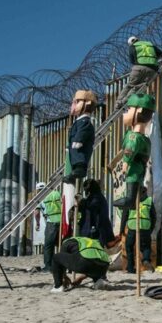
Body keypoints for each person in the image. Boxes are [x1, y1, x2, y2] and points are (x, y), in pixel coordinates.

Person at [113, 93, 154, 236]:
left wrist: (125, 163)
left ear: (139, 111)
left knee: (130, 197)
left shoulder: (134, 137)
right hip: (140, 170)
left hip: (134, 171)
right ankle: (123, 224)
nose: (125, 113)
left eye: (128, 109)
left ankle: (123, 202)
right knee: (134, 194)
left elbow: (129, 151)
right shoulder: (144, 138)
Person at [63, 89, 98, 227]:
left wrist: (78, 141)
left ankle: (79, 169)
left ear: (87, 103)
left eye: (76, 102)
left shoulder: (85, 122)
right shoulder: (78, 121)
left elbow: (82, 132)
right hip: (74, 149)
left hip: (80, 149)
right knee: (74, 156)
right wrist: (69, 146)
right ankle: (75, 169)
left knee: (79, 158)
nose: (73, 105)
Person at [125, 185, 156, 273]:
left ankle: (130, 268)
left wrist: (121, 229)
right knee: (146, 246)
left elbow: (125, 215)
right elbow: (154, 216)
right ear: (145, 192)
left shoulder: (131, 200)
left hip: (132, 226)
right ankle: (146, 260)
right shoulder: (149, 200)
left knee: (129, 246)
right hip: (145, 227)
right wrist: (151, 228)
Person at [78, 179, 115, 246]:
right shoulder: (93, 197)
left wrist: (82, 201)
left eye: (87, 190)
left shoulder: (97, 197)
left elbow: (91, 206)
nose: (86, 192)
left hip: (98, 231)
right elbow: (86, 208)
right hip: (93, 230)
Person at [39, 185, 61, 271]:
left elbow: (37, 213)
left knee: (48, 245)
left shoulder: (41, 197)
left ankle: (48, 266)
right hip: (61, 221)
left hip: (51, 221)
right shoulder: (57, 193)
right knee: (62, 243)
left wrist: (37, 223)